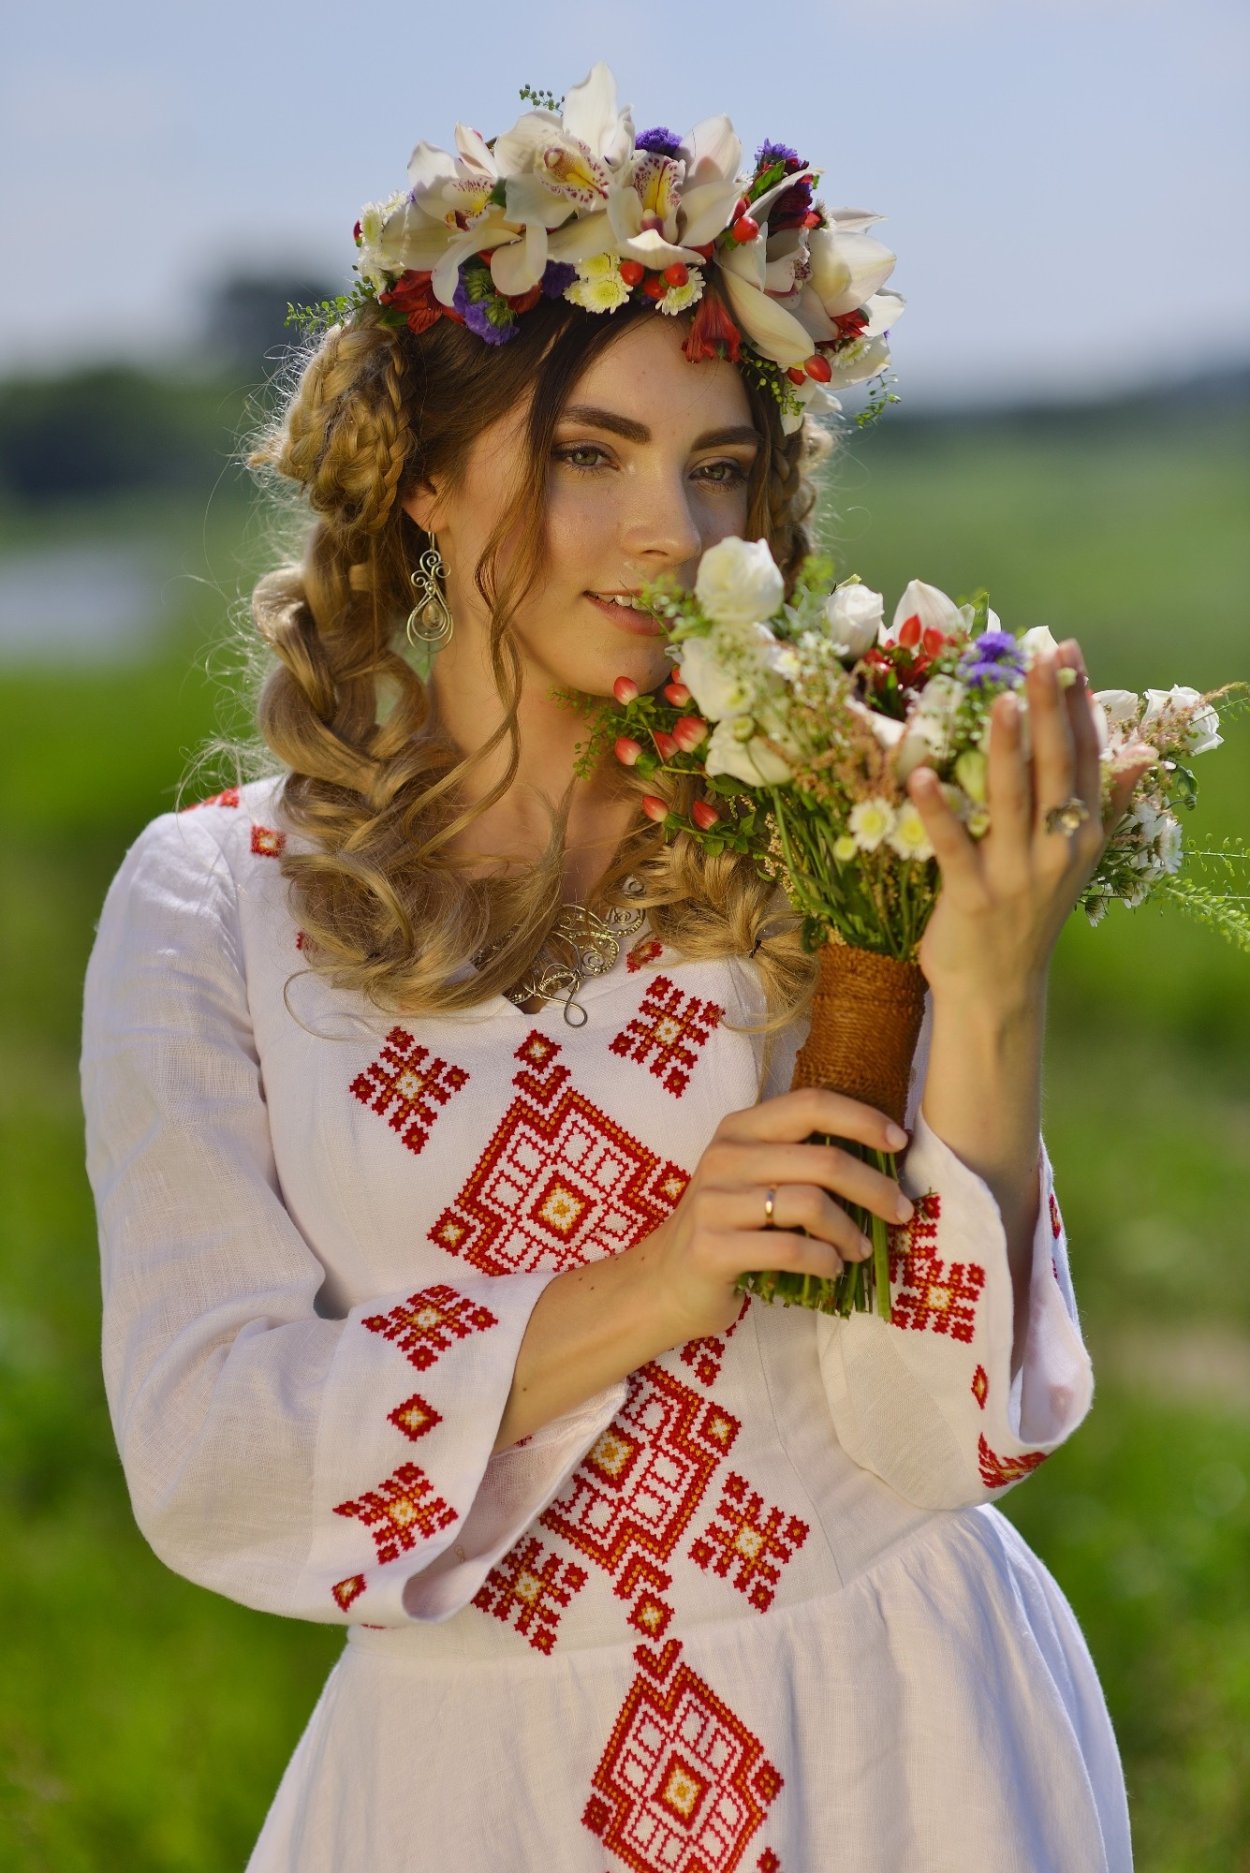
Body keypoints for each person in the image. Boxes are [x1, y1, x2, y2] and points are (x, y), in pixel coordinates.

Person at [83, 65, 1145, 1872]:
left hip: (907, 1741)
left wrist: (990, 985)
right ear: (420, 475)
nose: (673, 531)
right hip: (472, 1782)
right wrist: (655, 1281)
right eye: (590, 452)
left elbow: (933, 1434)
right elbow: (210, 1444)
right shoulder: (216, 909)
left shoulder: (827, 822)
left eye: (717, 466)